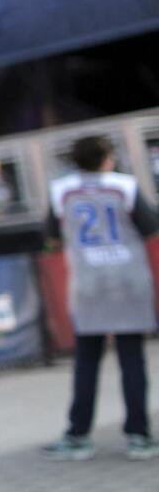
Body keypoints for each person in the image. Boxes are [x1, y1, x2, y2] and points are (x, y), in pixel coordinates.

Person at [42, 135, 159, 461]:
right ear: (106, 157)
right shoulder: (125, 186)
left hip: (88, 283)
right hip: (128, 280)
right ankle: (139, 435)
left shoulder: (60, 191)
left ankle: (78, 434)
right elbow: (151, 229)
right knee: (131, 359)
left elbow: (51, 240)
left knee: (87, 360)